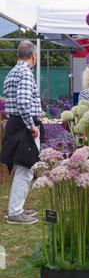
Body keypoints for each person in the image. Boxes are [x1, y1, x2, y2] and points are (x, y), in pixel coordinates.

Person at [1, 41, 44, 225]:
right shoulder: (26, 73)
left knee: (20, 168)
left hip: (13, 124)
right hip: (23, 126)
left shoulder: (11, 73)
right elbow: (23, 103)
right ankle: (15, 212)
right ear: (33, 56)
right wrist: (32, 126)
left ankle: (16, 207)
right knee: (26, 169)